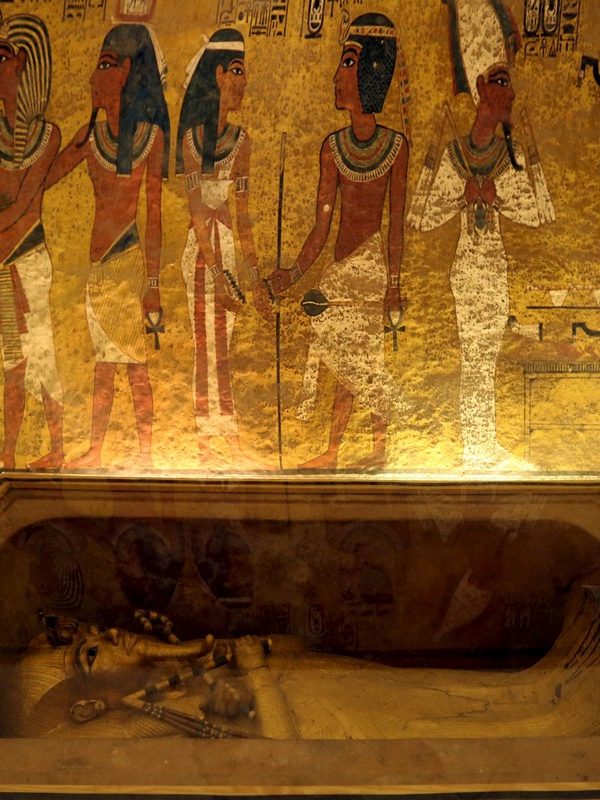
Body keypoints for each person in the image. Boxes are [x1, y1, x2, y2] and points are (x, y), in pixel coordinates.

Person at [408, 0, 555, 471]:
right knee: (475, 359)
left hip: (495, 269)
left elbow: (542, 212)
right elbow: (420, 216)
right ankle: (476, 447)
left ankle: (482, 444)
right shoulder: (455, 150)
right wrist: (461, 192)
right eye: (501, 81)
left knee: (485, 359)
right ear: (479, 88)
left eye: (509, 82)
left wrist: (499, 193)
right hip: (468, 273)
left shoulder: (512, 152)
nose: (510, 93)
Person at [268, 13, 411, 471]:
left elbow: (396, 225)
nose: (336, 75)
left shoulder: (396, 147)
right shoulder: (332, 148)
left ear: (372, 70)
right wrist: (293, 273)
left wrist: (393, 284)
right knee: (345, 364)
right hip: (340, 273)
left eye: (347, 62)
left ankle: (378, 450)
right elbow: (321, 227)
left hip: (370, 273)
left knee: (367, 364)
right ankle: (333, 451)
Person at [45, 24, 169, 469]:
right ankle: (97, 451)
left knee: (135, 367)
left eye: (104, 66)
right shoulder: (89, 136)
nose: (93, 78)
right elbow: (45, 178)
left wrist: (152, 284)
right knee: (103, 364)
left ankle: (146, 456)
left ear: (127, 71)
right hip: (97, 271)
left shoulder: (150, 139)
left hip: (128, 263)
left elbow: (154, 215)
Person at [176, 29, 272, 468]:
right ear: (217, 75)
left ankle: (227, 435)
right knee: (206, 346)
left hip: (227, 246)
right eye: (237, 71)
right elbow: (197, 211)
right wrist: (216, 273)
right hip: (201, 253)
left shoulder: (243, 141)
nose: (244, 81)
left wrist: (255, 276)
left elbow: (243, 213)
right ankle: (204, 439)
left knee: (224, 348)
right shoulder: (191, 141)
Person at [0, 13, 64, 470]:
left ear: (23, 61)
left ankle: (58, 448)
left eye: (2, 55)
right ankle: (8, 451)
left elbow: (24, 203)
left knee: (42, 357)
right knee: (11, 363)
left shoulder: (46, 135)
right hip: (3, 265)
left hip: (29, 259)